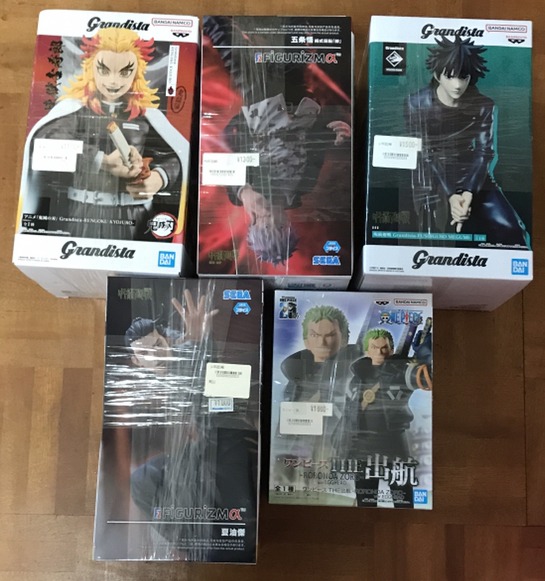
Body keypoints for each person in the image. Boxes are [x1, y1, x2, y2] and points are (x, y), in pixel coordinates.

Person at [203, 16, 352, 265]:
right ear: (288, 223)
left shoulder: (240, 194)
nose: (272, 219)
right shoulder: (303, 188)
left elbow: (223, 153)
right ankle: (293, 19)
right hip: (297, 101)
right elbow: (315, 145)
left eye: (265, 224)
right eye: (280, 225)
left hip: (260, 101)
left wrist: (244, 191)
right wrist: (333, 133)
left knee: (228, 42)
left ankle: (214, 19)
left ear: (253, 221)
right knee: (296, 46)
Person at [21, 27, 188, 240]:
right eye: (104, 70)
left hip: (135, 217)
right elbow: (49, 142)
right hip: (80, 214)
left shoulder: (147, 116)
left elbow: (176, 156)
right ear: (91, 68)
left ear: (137, 73)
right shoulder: (74, 111)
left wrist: (159, 178)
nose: (114, 81)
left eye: (124, 72)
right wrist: (102, 160)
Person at [405, 36, 530, 247]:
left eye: (463, 77)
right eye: (450, 76)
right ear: (437, 75)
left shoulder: (483, 105)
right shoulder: (416, 104)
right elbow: (424, 152)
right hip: (429, 173)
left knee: (513, 232)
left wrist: (468, 192)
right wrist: (451, 194)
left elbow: (484, 153)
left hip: (471, 173)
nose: (457, 85)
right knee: (424, 232)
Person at [343, 327, 432, 508]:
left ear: (391, 350)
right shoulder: (357, 378)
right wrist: (343, 446)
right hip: (362, 447)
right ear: (367, 350)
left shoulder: (399, 374)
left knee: (403, 502)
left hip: (394, 445)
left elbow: (427, 378)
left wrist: (425, 357)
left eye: (384, 348)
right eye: (375, 347)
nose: (380, 352)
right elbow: (347, 415)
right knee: (365, 502)